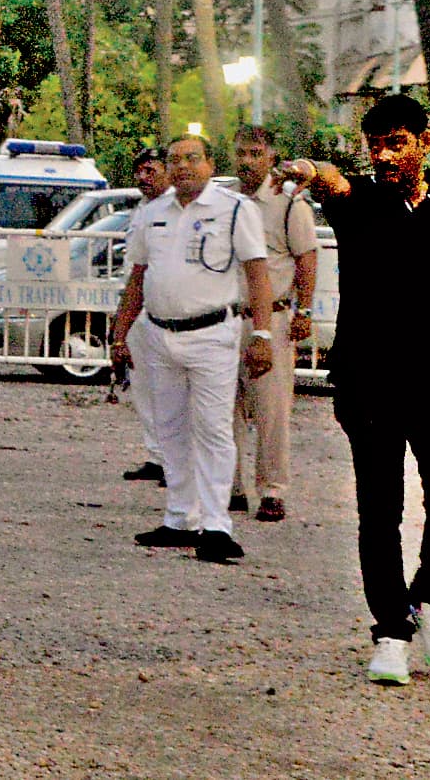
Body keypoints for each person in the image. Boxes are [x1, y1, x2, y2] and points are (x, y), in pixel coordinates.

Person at [276, 95, 430, 685]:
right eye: (375, 144)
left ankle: (429, 597)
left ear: (424, 144)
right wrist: (306, 169)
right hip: (369, 385)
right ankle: (390, 634)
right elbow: (332, 182)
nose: (384, 155)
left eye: (397, 142)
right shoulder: (361, 201)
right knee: (379, 512)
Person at [110, 135, 273, 567]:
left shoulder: (236, 209)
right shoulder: (153, 213)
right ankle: (181, 517)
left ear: (209, 162)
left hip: (211, 334)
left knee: (214, 429)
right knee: (170, 428)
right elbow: (138, 277)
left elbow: (257, 274)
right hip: (160, 335)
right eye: (174, 160)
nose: (182, 167)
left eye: (192, 158)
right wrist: (120, 332)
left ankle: (217, 526)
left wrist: (263, 335)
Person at [231, 126, 319, 523]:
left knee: (271, 409)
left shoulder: (287, 205)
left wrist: (305, 310)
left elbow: (306, 258)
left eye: (254, 153)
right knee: (224, 409)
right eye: (241, 153)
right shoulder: (226, 200)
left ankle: (272, 489)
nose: (247, 161)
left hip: (274, 319)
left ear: (271, 157)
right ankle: (230, 486)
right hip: (227, 317)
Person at [118, 148, 172, 484]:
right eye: (139, 171)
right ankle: (156, 454)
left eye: (150, 170)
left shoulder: (173, 208)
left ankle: (174, 459)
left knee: (169, 389)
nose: (143, 178)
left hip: (163, 309)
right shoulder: (141, 209)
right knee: (143, 386)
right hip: (138, 308)